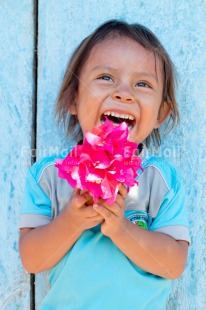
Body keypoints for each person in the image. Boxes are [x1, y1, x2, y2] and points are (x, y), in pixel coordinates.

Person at [19, 20, 190, 309]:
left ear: (161, 114)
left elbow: (173, 265)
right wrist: (72, 221)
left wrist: (122, 229)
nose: (124, 93)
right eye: (106, 78)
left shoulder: (161, 179)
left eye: (142, 83)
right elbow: (32, 261)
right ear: (74, 98)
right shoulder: (48, 176)